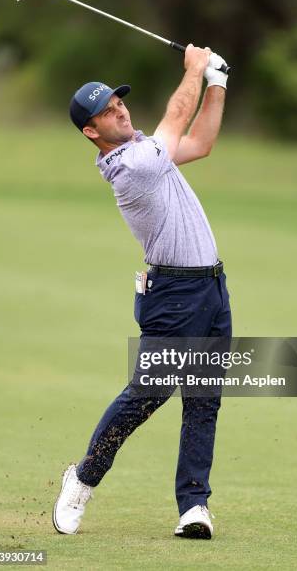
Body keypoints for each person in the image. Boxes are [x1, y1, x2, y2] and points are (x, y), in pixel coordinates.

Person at [52, 45, 232, 539]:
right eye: (107, 111)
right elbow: (177, 115)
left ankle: (194, 507)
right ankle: (83, 477)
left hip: (211, 289)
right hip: (173, 296)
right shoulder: (133, 166)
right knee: (147, 394)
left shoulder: (146, 150)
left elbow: (199, 142)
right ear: (92, 132)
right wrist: (195, 68)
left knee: (203, 398)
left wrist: (215, 83)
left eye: (119, 102)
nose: (120, 110)